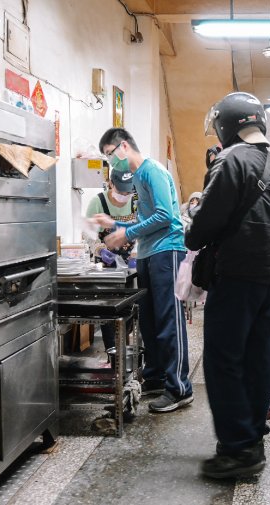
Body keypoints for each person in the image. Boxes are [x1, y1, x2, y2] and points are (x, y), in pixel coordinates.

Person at [186, 92, 270, 479]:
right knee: (259, 357)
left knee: (223, 361)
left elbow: (200, 231)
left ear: (224, 126)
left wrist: (193, 222)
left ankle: (236, 449)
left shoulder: (229, 160)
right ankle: (254, 437)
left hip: (235, 277)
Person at [94, 127, 193, 414]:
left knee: (168, 321)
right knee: (149, 321)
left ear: (123, 147)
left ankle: (180, 388)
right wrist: (116, 227)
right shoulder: (138, 177)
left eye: (111, 156)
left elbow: (166, 216)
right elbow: (147, 220)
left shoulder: (153, 171)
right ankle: (157, 377)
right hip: (150, 253)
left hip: (168, 251)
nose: (112, 163)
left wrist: (126, 234)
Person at [84, 168, 137, 351]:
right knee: (110, 310)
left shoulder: (136, 202)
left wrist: (137, 251)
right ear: (110, 183)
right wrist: (99, 248)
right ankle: (112, 353)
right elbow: (89, 234)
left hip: (132, 264)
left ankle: (128, 350)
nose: (124, 195)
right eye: (121, 190)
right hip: (107, 265)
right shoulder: (98, 202)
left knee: (132, 308)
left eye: (128, 191)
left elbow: (144, 226)